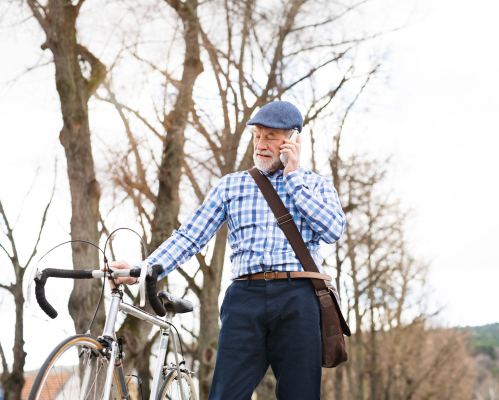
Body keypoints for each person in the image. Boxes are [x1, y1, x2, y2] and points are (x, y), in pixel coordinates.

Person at [110, 101, 346, 399]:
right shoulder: (231, 186)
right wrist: (143, 269)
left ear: (293, 139)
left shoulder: (316, 186)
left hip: (299, 298)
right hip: (245, 299)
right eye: (256, 135)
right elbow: (189, 237)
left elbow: (333, 230)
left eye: (270, 137)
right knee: (225, 395)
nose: (260, 144)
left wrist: (294, 178)